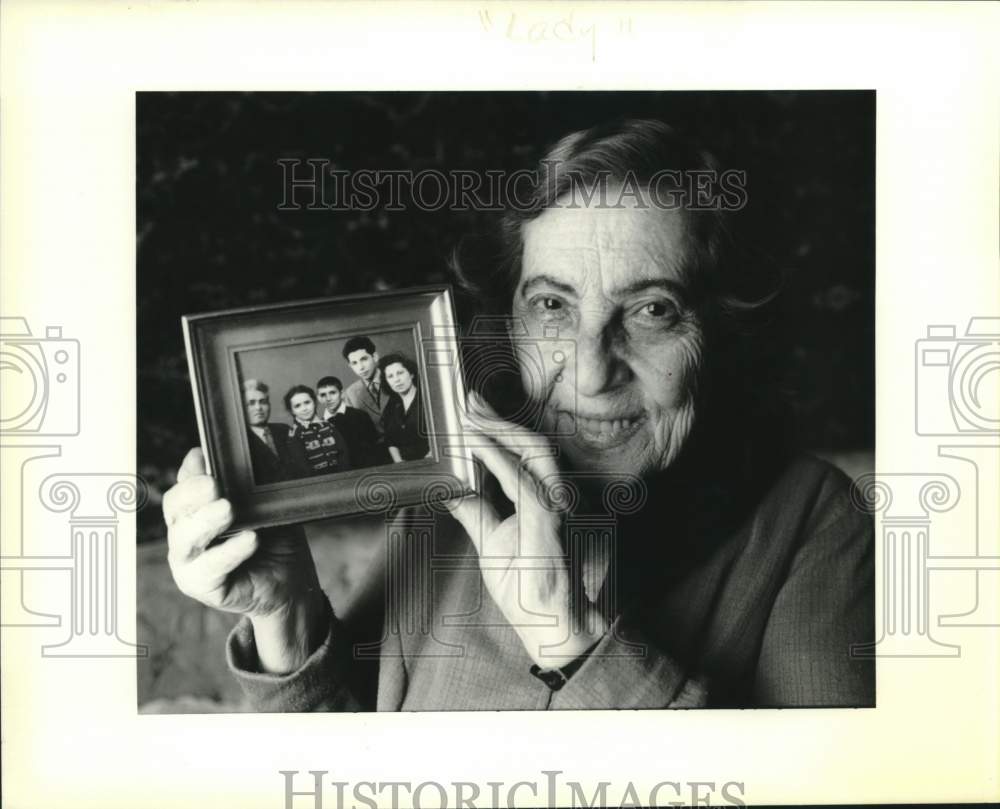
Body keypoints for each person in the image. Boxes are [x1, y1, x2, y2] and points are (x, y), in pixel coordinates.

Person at [164, 119, 874, 710]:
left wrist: (571, 636)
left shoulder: (811, 517)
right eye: (552, 307)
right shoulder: (451, 481)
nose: (592, 373)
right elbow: (352, 762)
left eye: (653, 311)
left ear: (719, 328)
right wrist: (282, 612)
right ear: (511, 320)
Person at [316, 375, 389, 468]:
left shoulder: (360, 415)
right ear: (319, 398)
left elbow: (373, 445)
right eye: (323, 395)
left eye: (332, 393)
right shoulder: (320, 426)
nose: (328, 398)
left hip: (365, 468)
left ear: (341, 394)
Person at [282, 385, 352, 477]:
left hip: (342, 477)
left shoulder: (329, 426)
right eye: (297, 406)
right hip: (316, 482)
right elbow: (302, 466)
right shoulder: (295, 434)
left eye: (307, 402)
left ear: (314, 402)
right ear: (292, 411)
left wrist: (343, 475)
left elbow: (343, 454)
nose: (304, 408)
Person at [376, 354, 429, 463]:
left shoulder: (427, 399)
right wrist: (399, 463)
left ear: (411, 374)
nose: (396, 380)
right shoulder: (391, 405)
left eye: (400, 373)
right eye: (390, 376)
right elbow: (390, 440)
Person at [241, 380, 292, 485]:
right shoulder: (241, 440)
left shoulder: (284, 430)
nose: (258, 408)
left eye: (263, 402)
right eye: (251, 403)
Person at [341, 336, 390, 435]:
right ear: (350, 366)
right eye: (354, 363)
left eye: (364, 359)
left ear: (375, 357)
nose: (361, 367)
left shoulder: (393, 378)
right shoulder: (350, 393)